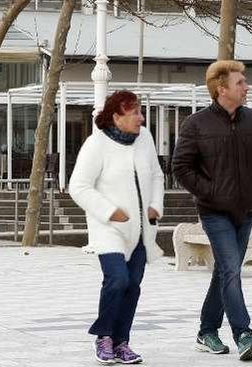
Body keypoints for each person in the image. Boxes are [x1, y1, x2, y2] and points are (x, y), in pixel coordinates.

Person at [172, 60, 252, 362]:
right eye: (240, 82)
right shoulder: (196, 124)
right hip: (213, 212)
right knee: (232, 269)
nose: (246, 87)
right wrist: (211, 193)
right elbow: (181, 167)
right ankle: (244, 334)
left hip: (245, 211)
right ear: (222, 89)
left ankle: (206, 331)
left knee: (224, 270)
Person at [68, 90, 165, 365]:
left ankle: (122, 342)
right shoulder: (95, 144)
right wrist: (110, 212)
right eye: (134, 113)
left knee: (133, 285)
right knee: (118, 280)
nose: (141, 118)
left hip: (142, 229)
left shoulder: (144, 138)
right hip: (108, 228)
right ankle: (103, 336)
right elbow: (78, 187)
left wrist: (155, 205)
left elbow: (157, 175)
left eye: (140, 111)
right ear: (116, 117)